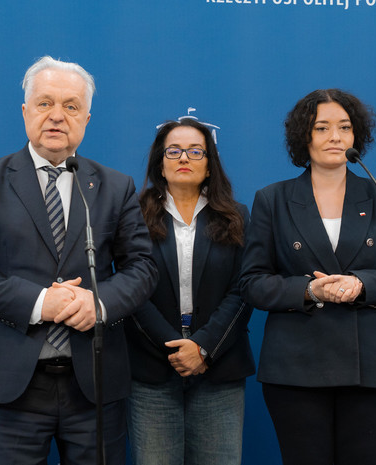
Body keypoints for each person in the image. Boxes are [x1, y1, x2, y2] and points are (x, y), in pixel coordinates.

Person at [0, 55, 157, 465]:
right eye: (45, 103)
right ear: (25, 111)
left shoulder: (115, 186)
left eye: (71, 106)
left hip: (94, 385)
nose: (57, 116)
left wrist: (99, 303)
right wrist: (41, 303)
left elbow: (143, 268)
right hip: (9, 386)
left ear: (86, 119)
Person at [239, 89, 376, 465]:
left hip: (372, 366)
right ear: (303, 136)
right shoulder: (272, 199)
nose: (335, 137)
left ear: (357, 135)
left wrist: (361, 284)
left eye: (344, 127)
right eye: (322, 128)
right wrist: (308, 290)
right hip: (296, 367)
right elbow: (253, 282)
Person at [125, 118, 255, 464]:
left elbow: (244, 289)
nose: (184, 157)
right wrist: (175, 347)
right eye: (174, 151)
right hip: (152, 370)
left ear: (209, 165)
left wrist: (202, 348)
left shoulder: (236, 217)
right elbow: (129, 287)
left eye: (196, 151)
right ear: (160, 164)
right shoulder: (134, 215)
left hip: (219, 367)